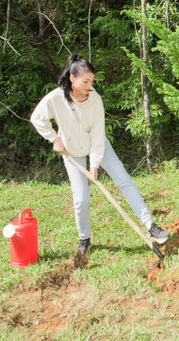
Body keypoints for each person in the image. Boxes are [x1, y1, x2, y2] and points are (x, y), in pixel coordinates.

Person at [30, 54, 170, 256]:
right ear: (72, 79)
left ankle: (150, 226)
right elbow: (37, 118)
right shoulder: (56, 98)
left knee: (124, 179)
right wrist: (54, 138)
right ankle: (84, 239)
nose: (90, 85)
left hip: (98, 146)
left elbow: (97, 136)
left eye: (92, 81)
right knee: (81, 198)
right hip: (71, 150)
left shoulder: (95, 100)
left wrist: (94, 165)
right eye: (85, 81)